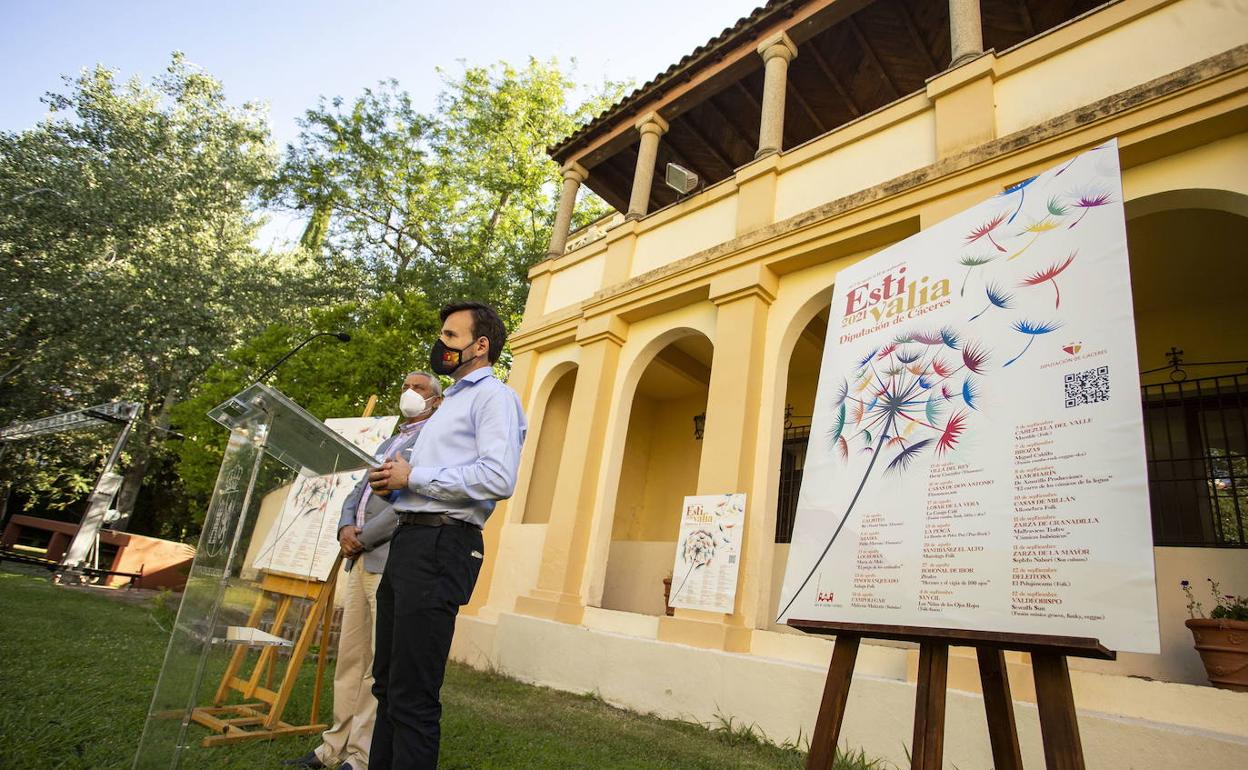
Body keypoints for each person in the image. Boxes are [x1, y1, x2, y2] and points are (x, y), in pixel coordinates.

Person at [366, 301, 526, 769]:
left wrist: (412, 478)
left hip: (442, 545)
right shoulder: (449, 402)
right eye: (441, 336)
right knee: (387, 684)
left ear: (481, 346)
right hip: (410, 540)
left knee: (413, 693)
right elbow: (424, 479)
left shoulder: (493, 397)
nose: (441, 345)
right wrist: (394, 483)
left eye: (451, 337)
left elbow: (498, 478)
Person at [284, 372, 443, 770]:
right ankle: (332, 746)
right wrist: (343, 527)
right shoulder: (392, 439)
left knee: (377, 664)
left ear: (436, 400)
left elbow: (409, 501)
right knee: (350, 659)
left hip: (388, 558)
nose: (409, 392)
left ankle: (361, 755)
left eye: (419, 387)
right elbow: (360, 489)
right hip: (357, 558)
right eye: (406, 386)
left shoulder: (435, 440)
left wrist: (365, 536)